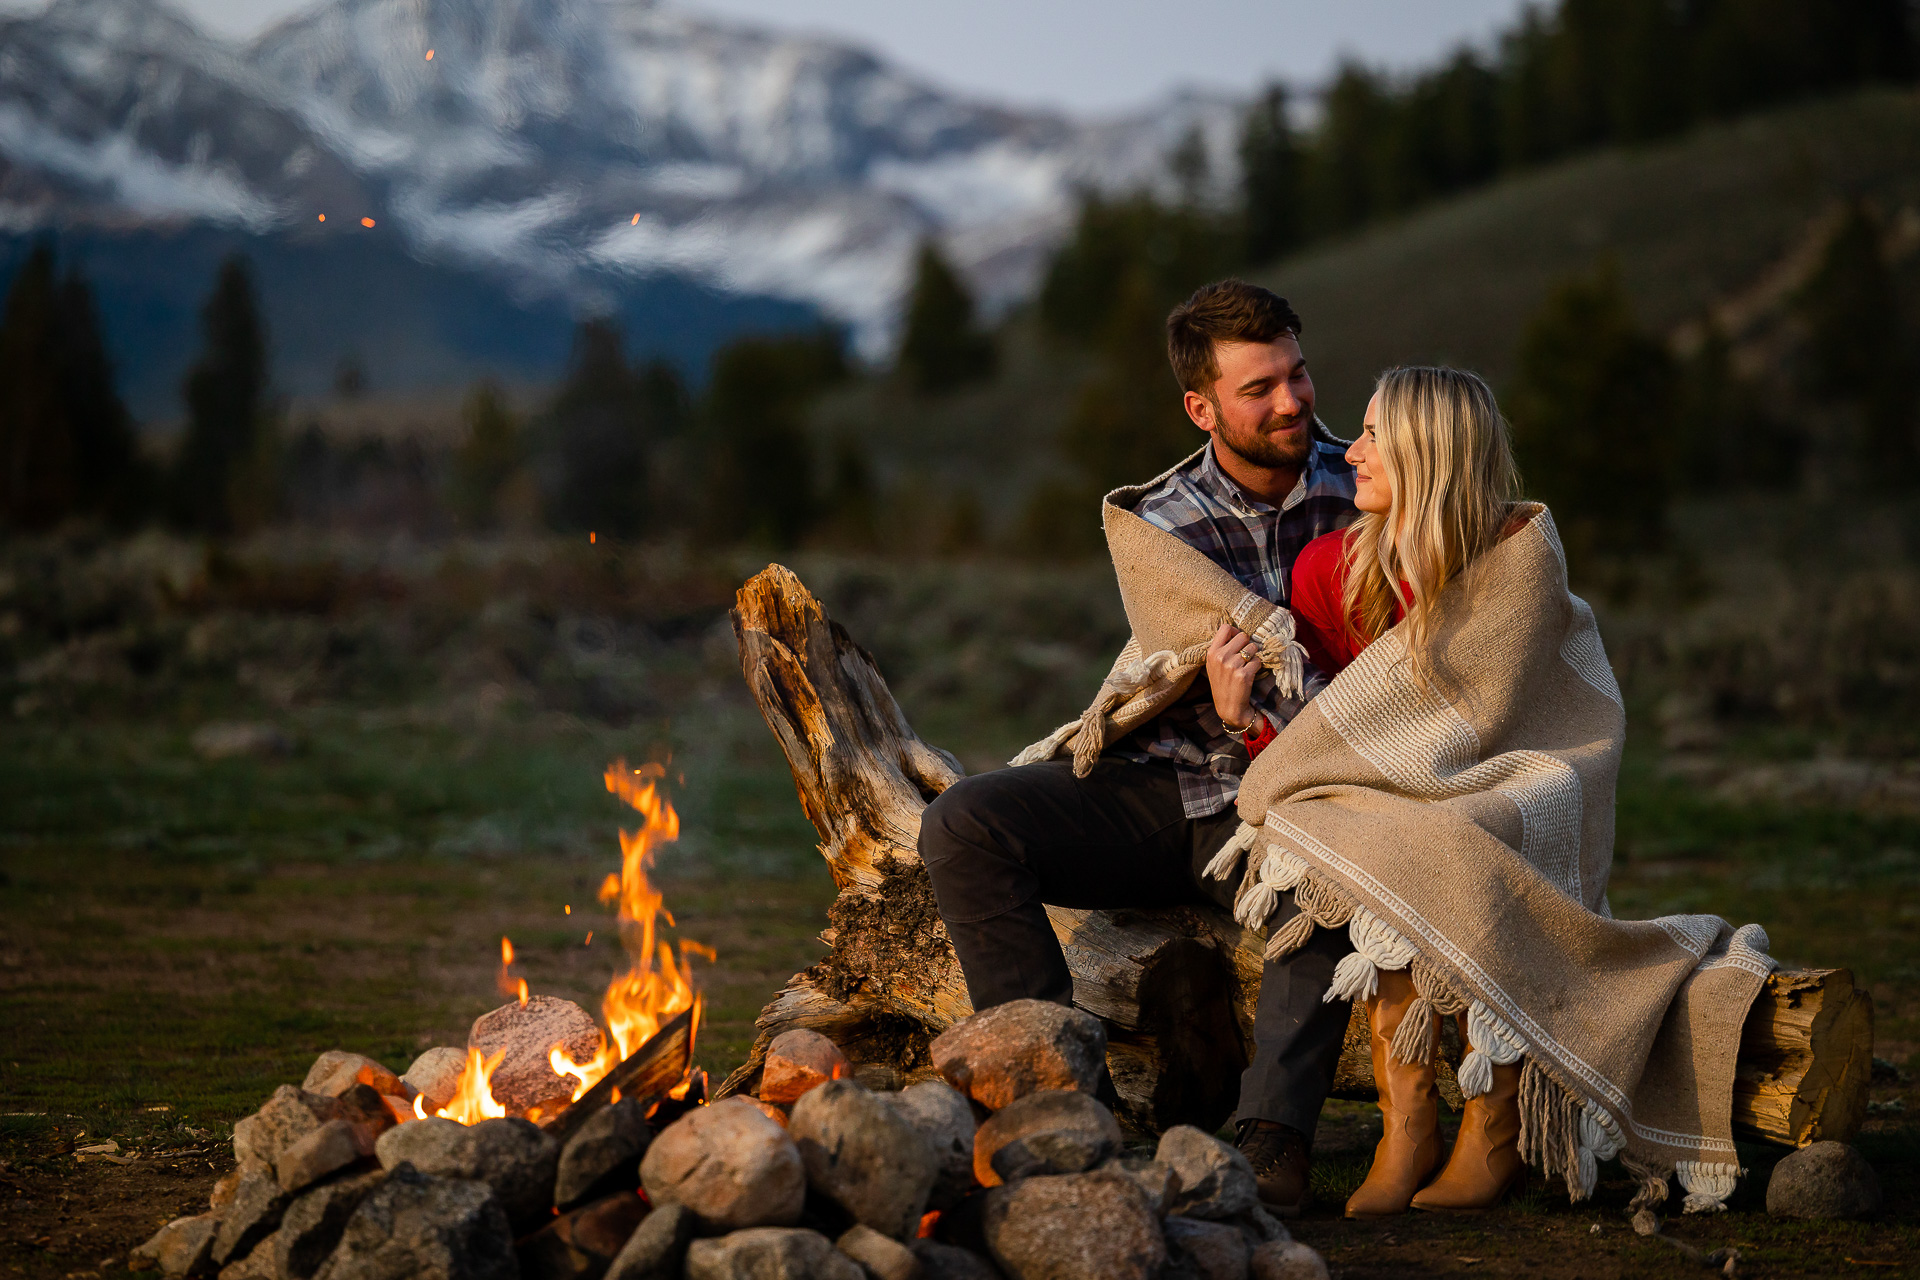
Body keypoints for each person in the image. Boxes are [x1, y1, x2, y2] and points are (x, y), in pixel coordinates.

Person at [919, 279, 1359, 1214]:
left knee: (1337, 875)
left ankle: (1272, 1138)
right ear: (1200, 407)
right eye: (1259, 388)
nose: (1292, 401)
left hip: (1301, 798)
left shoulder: (1370, 488)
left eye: (1298, 373)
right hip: (1169, 793)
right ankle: (1058, 1096)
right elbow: (1169, 650)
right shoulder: (1157, 519)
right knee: (966, 822)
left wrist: (1266, 710)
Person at [1285, 365, 1537, 1217]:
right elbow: (1323, 736)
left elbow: (1549, 708)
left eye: (1371, 436)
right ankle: (1409, 1127)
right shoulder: (1331, 569)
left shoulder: (1517, 557)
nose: (1348, 452)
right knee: (1403, 846)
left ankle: (1494, 1129)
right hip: (1385, 798)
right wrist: (1252, 718)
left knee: (1468, 840)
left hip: (1509, 783)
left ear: (1428, 455)